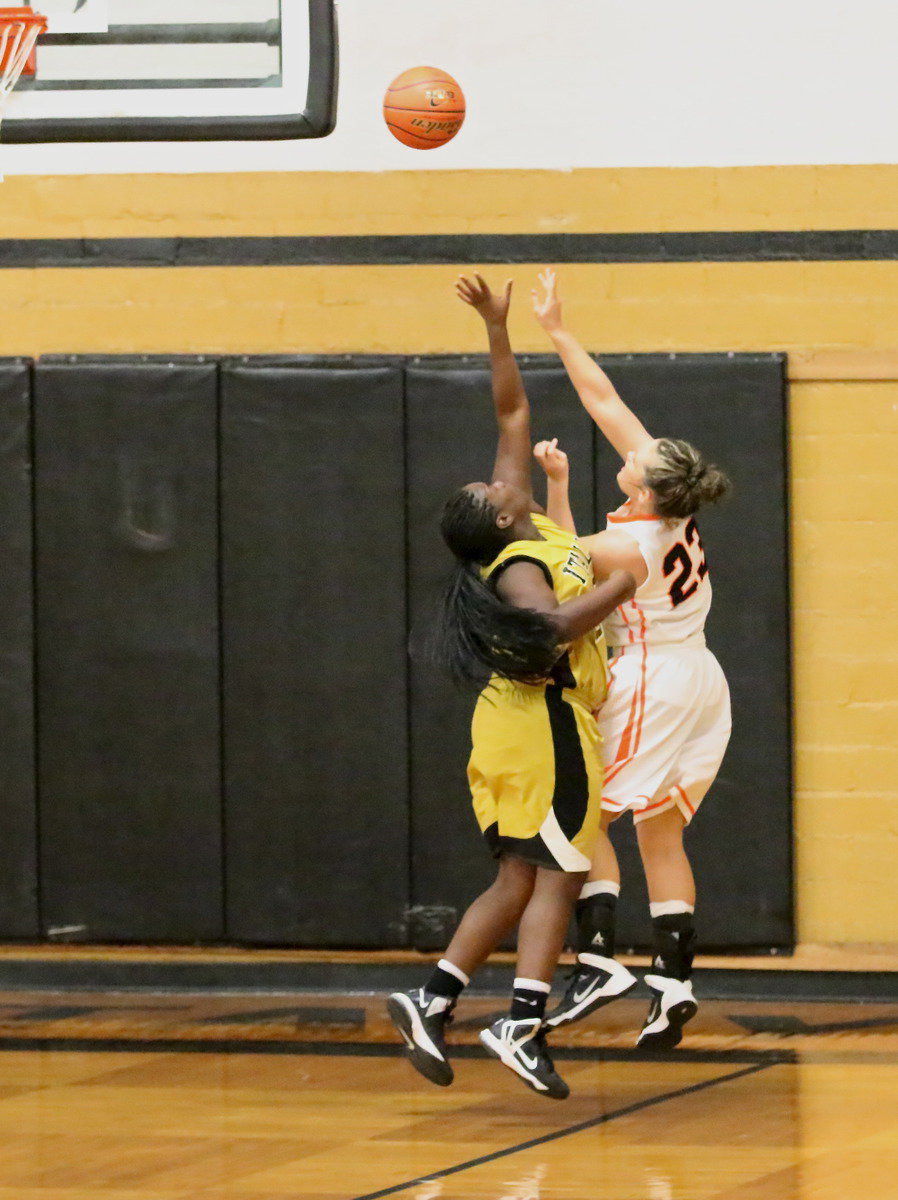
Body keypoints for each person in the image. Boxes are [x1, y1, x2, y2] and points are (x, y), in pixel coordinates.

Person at [387, 274, 636, 1099]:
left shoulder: (513, 523)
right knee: (560, 874)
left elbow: (511, 414)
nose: (497, 478)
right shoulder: (522, 560)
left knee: (519, 879)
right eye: (489, 490)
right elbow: (545, 632)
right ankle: (522, 1022)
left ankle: (434, 1000)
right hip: (545, 729)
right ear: (498, 518)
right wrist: (617, 587)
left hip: (512, 730)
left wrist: (497, 328)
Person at [530, 268, 732, 1049]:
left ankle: (603, 959)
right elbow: (606, 402)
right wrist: (557, 330)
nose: (627, 460)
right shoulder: (670, 500)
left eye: (630, 472)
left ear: (647, 495)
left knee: (584, 815)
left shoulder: (629, 543)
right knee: (661, 836)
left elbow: (552, 559)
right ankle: (675, 986)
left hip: (655, 678)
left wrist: (555, 485)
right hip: (703, 678)